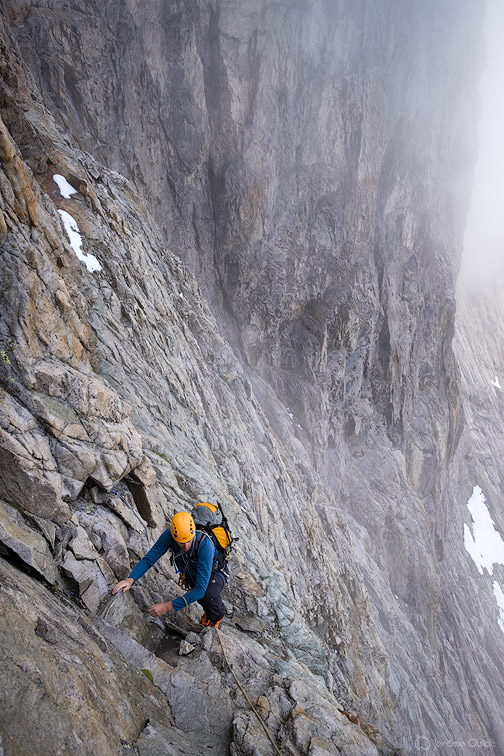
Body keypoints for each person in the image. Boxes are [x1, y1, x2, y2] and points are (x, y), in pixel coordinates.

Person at [112, 510, 227, 628]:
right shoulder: (170, 535)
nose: (186, 546)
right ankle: (209, 612)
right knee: (199, 594)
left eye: (189, 541)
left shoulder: (205, 544)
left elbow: (200, 590)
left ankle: (218, 616)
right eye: (181, 543)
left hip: (216, 572)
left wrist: (167, 606)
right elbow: (149, 559)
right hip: (192, 571)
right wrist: (130, 579)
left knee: (207, 593)